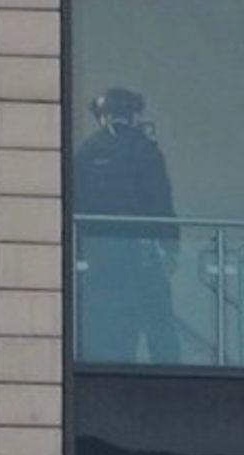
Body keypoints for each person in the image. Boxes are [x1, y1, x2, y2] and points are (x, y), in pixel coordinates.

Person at [72, 86, 183, 364]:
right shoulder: (145, 149)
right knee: (157, 318)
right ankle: (169, 375)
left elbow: (76, 201)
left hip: (99, 254)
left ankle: (109, 369)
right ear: (134, 115)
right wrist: (171, 245)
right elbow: (160, 199)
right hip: (141, 251)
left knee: (108, 323)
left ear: (102, 116)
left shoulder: (87, 151)